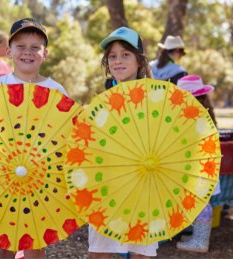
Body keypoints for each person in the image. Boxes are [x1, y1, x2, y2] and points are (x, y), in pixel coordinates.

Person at [0, 17, 67, 259]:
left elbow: (66, 134)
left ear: (45, 53)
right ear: (9, 51)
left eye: (35, 47)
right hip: (2, 171)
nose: (28, 52)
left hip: (42, 175)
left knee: (34, 238)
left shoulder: (56, 91)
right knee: (4, 236)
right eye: (21, 46)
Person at [88, 26, 158, 259]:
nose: (118, 61)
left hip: (145, 185)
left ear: (139, 60)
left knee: (141, 250)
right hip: (108, 186)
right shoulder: (102, 102)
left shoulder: (157, 98)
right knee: (100, 250)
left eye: (125, 54)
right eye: (112, 56)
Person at [175, 74, 219, 253]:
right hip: (203, 168)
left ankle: (200, 241)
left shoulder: (195, 118)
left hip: (198, 169)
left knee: (200, 203)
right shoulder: (205, 115)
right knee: (201, 201)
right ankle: (198, 237)